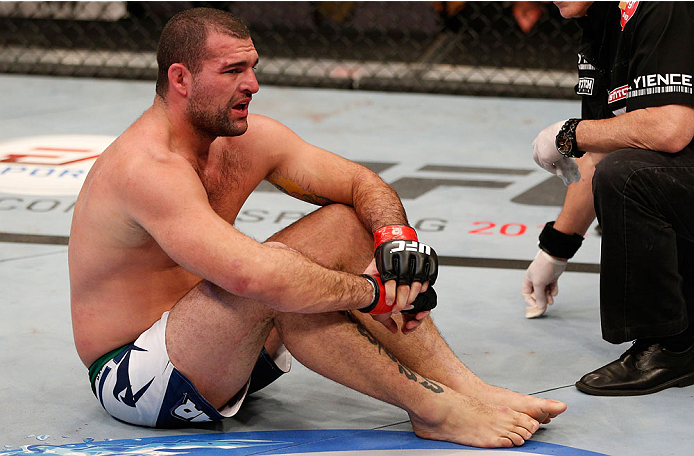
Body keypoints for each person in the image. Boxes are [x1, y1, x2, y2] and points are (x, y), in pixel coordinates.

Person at [68, 7, 566, 449]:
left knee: (346, 226)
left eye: (253, 68)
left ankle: (465, 387)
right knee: (282, 278)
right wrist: (372, 293)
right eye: (233, 70)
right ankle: (434, 409)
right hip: (137, 375)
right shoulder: (148, 167)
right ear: (181, 78)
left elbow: (358, 182)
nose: (253, 85)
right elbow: (254, 280)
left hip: (226, 346)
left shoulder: (244, 140)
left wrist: (396, 244)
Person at [524, 0, 694, 395]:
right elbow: (603, 148)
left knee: (631, 176)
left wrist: (569, 134)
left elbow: (670, 129)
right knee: (629, 167)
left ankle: (669, 347)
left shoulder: (660, 6)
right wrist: (555, 249)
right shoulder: (600, 24)